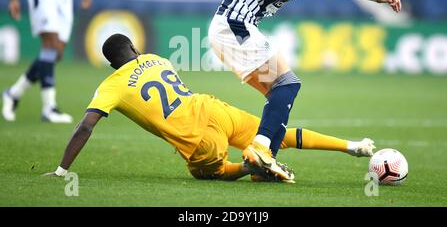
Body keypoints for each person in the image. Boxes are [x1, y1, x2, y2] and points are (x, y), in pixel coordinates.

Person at [208, 0, 400, 178]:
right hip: (235, 27)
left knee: (279, 97)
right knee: (288, 85)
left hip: (229, 32)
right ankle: (260, 150)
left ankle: (262, 167)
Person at [44, 34, 375, 183]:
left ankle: (250, 166)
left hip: (197, 140)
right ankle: (353, 147)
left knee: (211, 174)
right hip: (214, 109)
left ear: (111, 63)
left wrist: (62, 170)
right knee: (273, 133)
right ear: (133, 48)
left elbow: (86, 126)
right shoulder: (156, 59)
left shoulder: (110, 86)